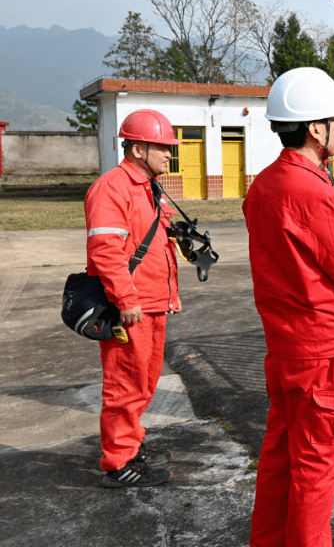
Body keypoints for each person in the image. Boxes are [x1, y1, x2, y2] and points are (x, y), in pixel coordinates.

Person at [244, 67, 334, 547]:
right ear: (316, 128)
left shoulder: (263, 186)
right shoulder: (316, 192)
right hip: (324, 356)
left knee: (280, 460)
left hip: (285, 351)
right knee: (316, 472)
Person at [85, 109, 182, 488]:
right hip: (131, 308)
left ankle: (130, 442)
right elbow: (106, 250)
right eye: (163, 147)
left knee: (143, 382)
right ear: (139, 148)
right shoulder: (113, 187)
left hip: (153, 303)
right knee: (125, 384)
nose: (169, 155)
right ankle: (118, 462)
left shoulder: (147, 187)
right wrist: (125, 301)